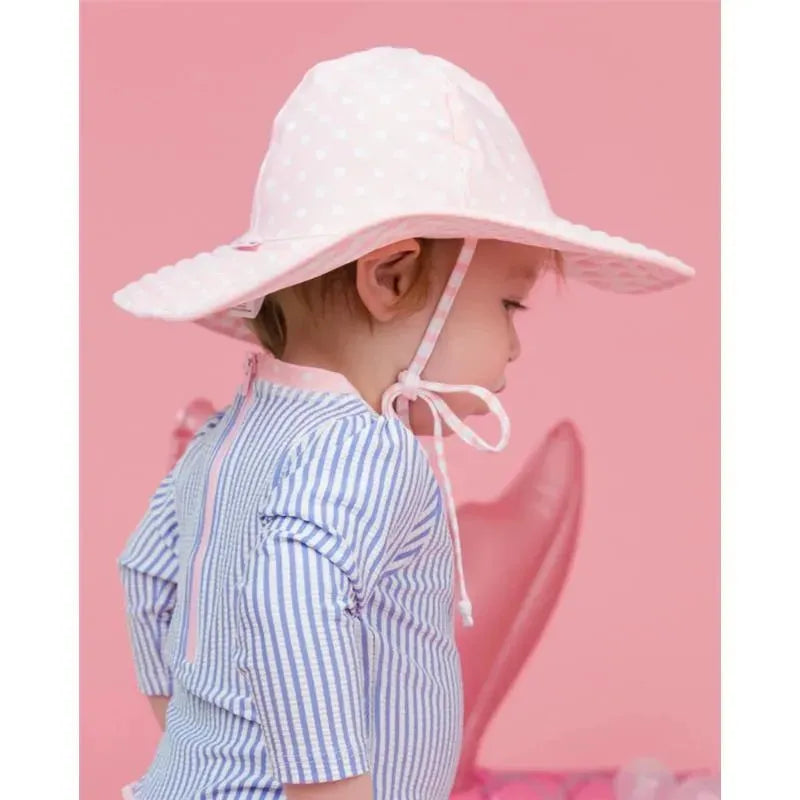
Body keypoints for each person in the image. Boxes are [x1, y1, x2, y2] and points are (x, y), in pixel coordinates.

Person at [113, 46, 694, 800]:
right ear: (391, 278)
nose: (515, 343)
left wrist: (190, 748)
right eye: (508, 305)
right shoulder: (365, 445)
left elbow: (146, 570)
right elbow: (292, 596)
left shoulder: (230, 434)